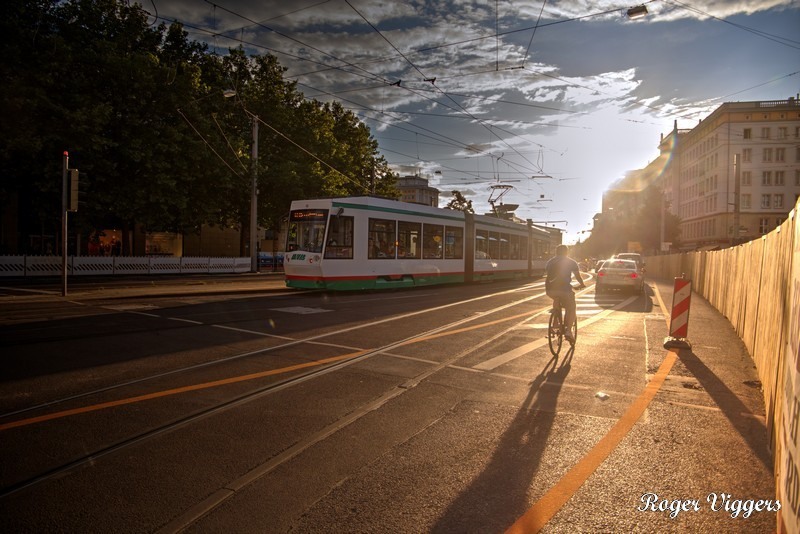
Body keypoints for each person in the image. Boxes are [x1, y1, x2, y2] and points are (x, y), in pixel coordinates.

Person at [545, 244, 586, 344]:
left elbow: (548, 274)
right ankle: (568, 331)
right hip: (565, 290)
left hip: (550, 290)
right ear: (567, 252)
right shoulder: (571, 262)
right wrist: (581, 284)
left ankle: (555, 322)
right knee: (571, 307)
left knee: (556, 299)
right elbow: (577, 276)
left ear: (556, 252)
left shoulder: (550, 262)